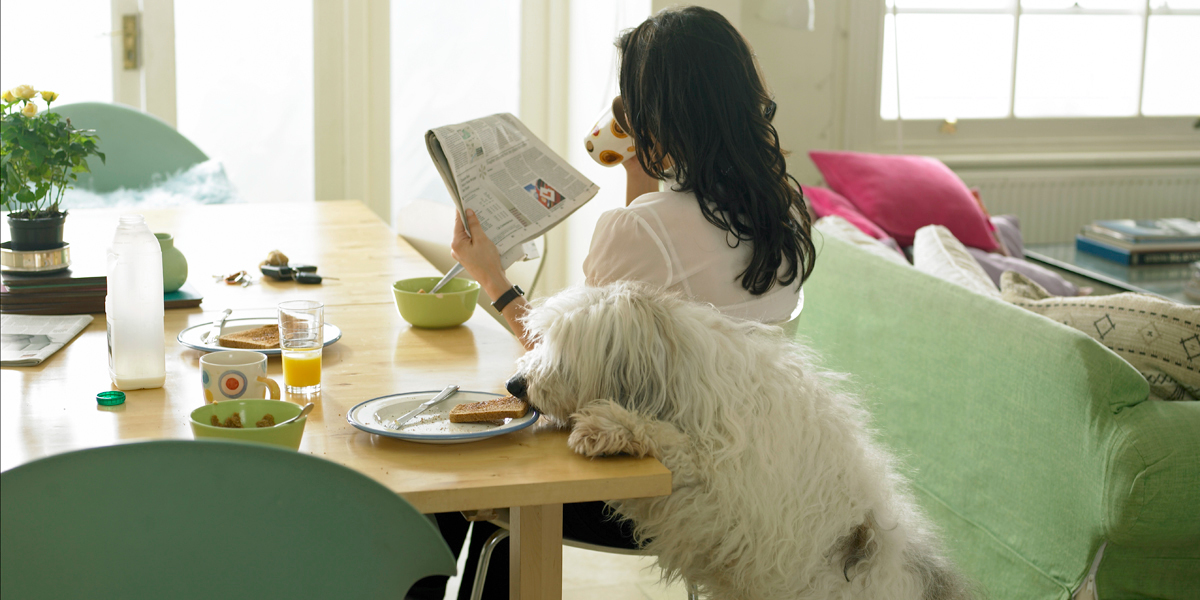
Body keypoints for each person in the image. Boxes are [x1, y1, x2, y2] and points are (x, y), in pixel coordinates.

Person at [411, 6, 817, 599]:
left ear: (656, 114)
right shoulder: (783, 211)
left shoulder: (640, 232)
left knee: (453, 461)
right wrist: (640, 167)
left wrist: (492, 280)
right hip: (750, 479)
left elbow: (564, 370)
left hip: (651, 485)